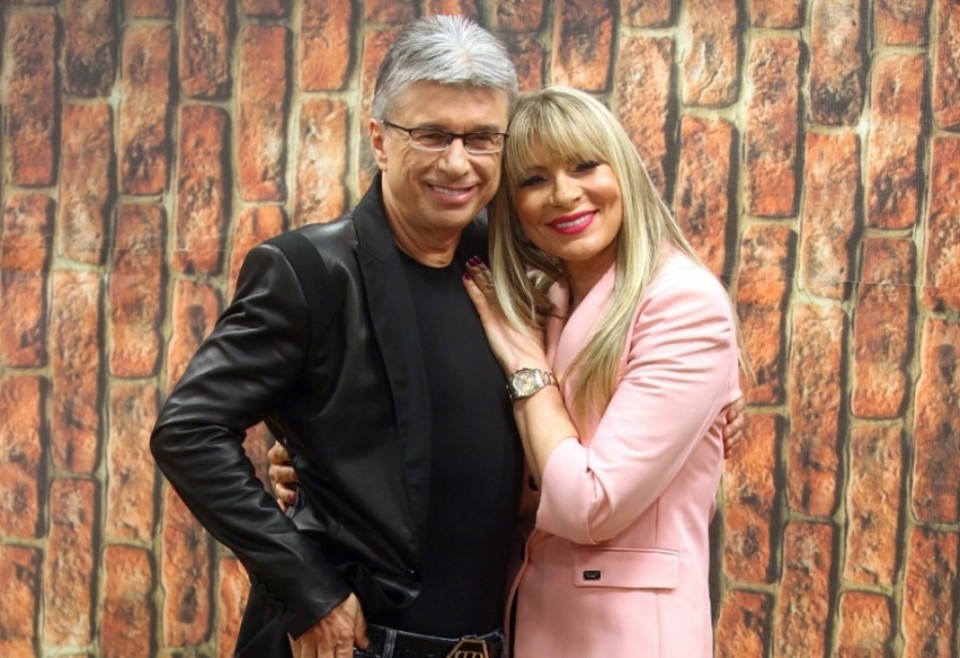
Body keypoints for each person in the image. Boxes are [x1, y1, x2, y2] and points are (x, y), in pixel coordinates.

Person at [153, 14, 745, 658]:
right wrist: (306, 588)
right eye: (432, 135)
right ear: (380, 140)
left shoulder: (512, 271)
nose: (458, 163)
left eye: (482, 138)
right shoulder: (310, 271)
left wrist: (712, 403)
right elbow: (189, 429)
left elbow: (568, 416)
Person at [460, 86, 742, 657]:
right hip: (534, 624)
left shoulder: (682, 302)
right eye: (533, 180)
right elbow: (513, 482)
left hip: (629, 637)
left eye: (585, 165)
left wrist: (528, 371)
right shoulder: (542, 303)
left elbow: (591, 504)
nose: (564, 194)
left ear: (624, 170)